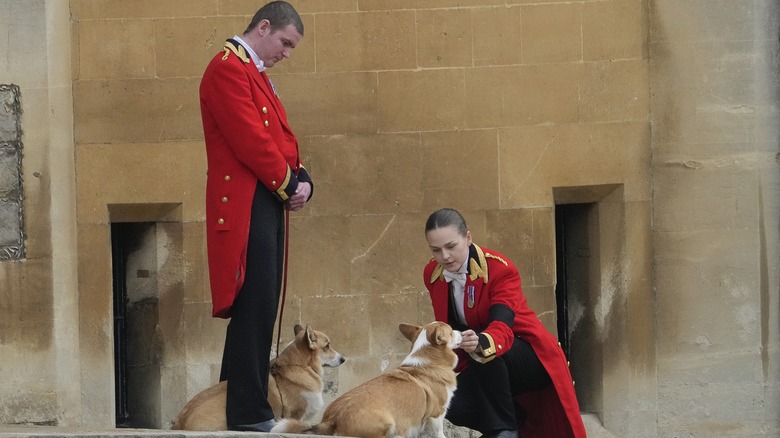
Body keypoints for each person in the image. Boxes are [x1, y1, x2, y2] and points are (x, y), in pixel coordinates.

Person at [199, 1, 312, 432]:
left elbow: (279, 139)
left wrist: (302, 180)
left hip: (263, 196)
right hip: (247, 201)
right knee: (254, 305)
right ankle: (247, 411)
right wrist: (287, 185)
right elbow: (251, 141)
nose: (286, 53)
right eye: (284, 42)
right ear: (263, 27)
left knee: (260, 304)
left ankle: (232, 404)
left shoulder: (254, 72)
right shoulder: (228, 68)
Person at [422, 208, 587, 438]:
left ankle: (504, 432)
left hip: (529, 356)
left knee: (485, 352)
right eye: (436, 250)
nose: (445, 256)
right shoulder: (433, 273)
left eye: (451, 246)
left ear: (468, 238)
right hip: (480, 362)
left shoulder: (500, 269)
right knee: (450, 402)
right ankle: (514, 423)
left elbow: (503, 326)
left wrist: (480, 342)